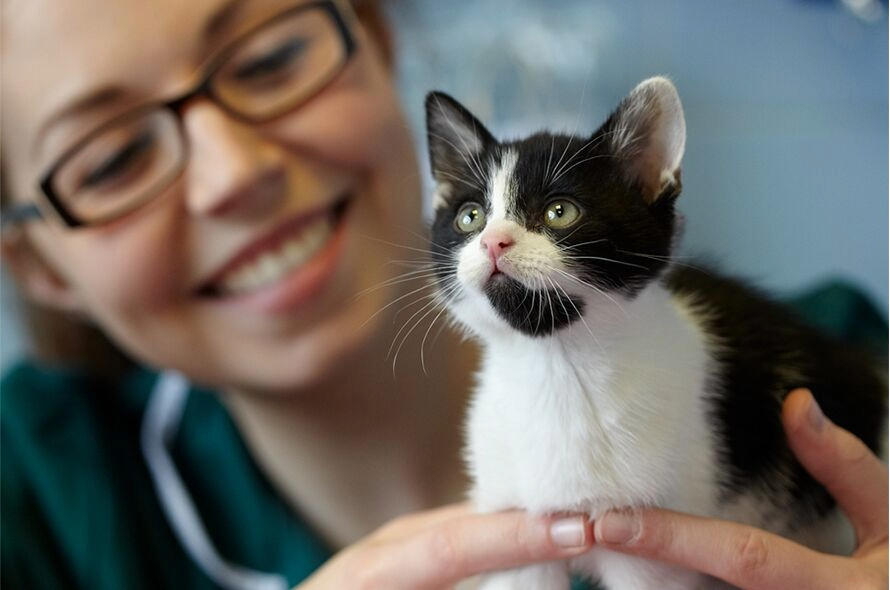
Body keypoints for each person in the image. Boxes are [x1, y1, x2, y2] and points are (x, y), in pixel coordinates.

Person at [0, 0, 885, 588]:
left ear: (379, 43)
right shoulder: (40, 497)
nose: (235, 176)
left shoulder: (825, 374)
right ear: (36, 263)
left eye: (269, 61)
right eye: (112, 158)